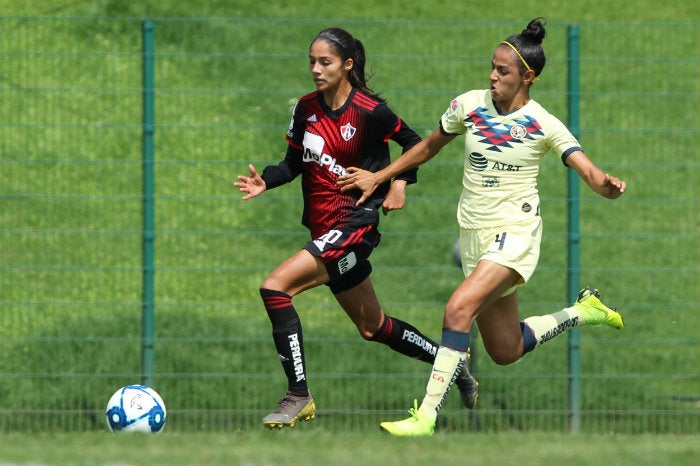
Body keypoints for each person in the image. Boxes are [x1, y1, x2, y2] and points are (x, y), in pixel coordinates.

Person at [337, 17, 627, 436]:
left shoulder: (543, 123)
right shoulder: (469, 105)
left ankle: (427, 417)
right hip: (474, 237)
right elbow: (426, 148)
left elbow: (588, 170)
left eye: (503, 71)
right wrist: (382, 178)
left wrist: (607, 186)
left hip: (516, 233)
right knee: (506, 349)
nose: (493, 76)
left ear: (528, 77)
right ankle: (583, 311)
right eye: (492, 67)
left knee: (457, 309)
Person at [234, 27, 478, 429]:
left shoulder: (369, 110)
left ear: (347, 64)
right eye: (311, 61)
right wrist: (267, 179)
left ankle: (298, 395)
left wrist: (398, 182)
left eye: (324, 62)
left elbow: (415, 143)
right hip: (323, 231)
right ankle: (449, 364)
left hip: (355, 228)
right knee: (373, 326)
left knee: (275, 288)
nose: (315, 69)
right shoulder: (306, 109)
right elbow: (293, 164)